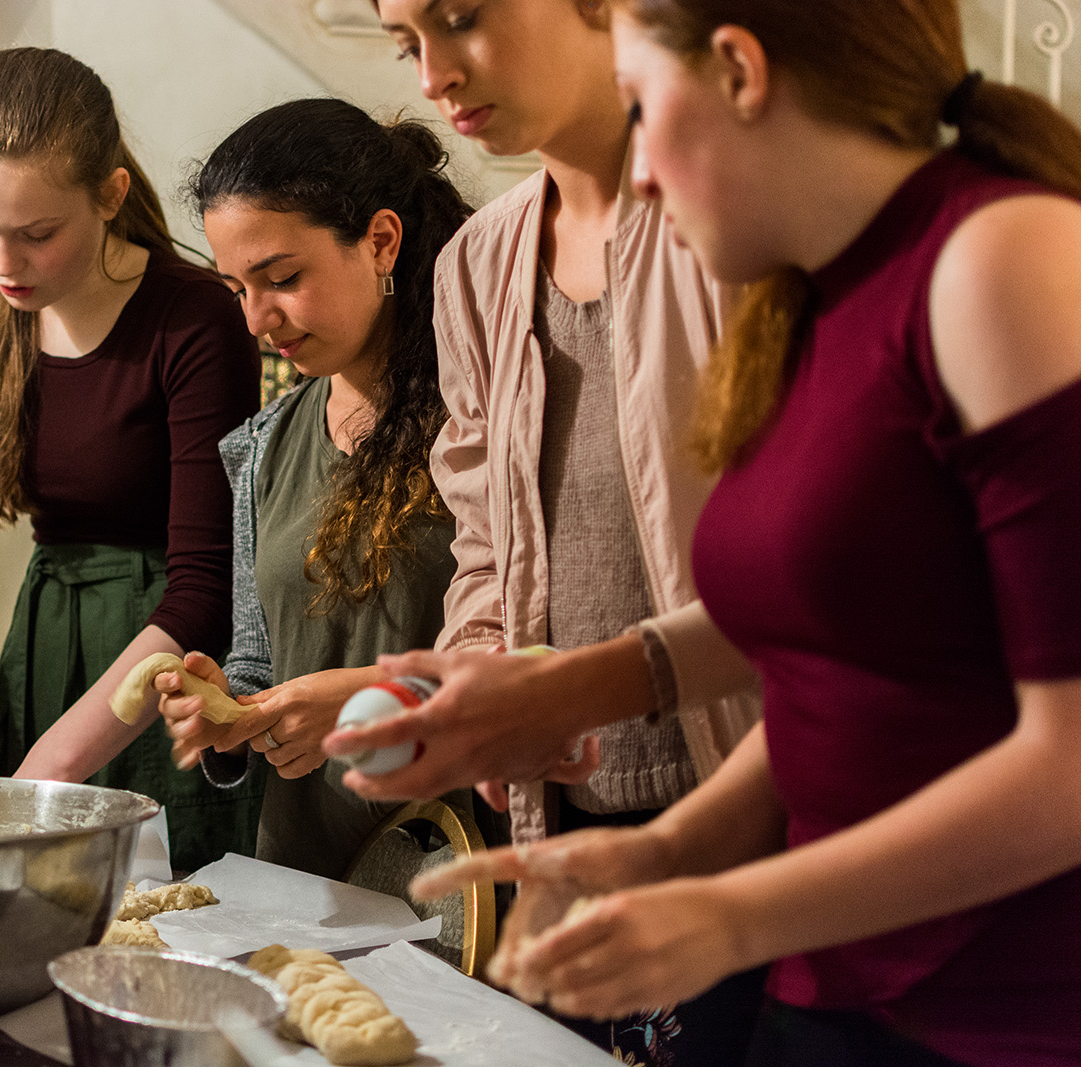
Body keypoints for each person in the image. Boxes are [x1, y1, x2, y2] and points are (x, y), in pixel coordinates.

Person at [411, 3, 1081, 1064]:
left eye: (640, 105)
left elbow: (1067, 756)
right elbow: (842, 666)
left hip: (995, 1015)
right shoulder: (810, 291)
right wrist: (670, 848)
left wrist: (733, 915)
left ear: (739, 69)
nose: (636, 177)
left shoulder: (1003, 255)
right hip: (833, 988)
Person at [322, 2, 762, 1061]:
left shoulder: (735, 220)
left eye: (461, 17)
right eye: (405, 42)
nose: (433, 73)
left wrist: (581, 688)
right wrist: (478, 676)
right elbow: (485, 538)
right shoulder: (478, 262)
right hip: (561, 812)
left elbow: (812, 575)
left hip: (751, 786)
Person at [0, 47, 263, 872]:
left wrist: (52, 765)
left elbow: (205, 587)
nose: (2, 263)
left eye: (37, 234)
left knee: (164, 908)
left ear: (110, 194)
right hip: (46, 654)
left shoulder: (193, 319)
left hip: (161, 671)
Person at [154, 98, 474, 881]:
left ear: (382, 241)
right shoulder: (262, 443)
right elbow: (262, 658)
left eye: (282, 278)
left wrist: (378, 694)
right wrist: (235, 712)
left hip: (461, 875)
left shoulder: (487, 410)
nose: (257, 319)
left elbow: (543, 653)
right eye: (237, 288)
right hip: (309, 881)